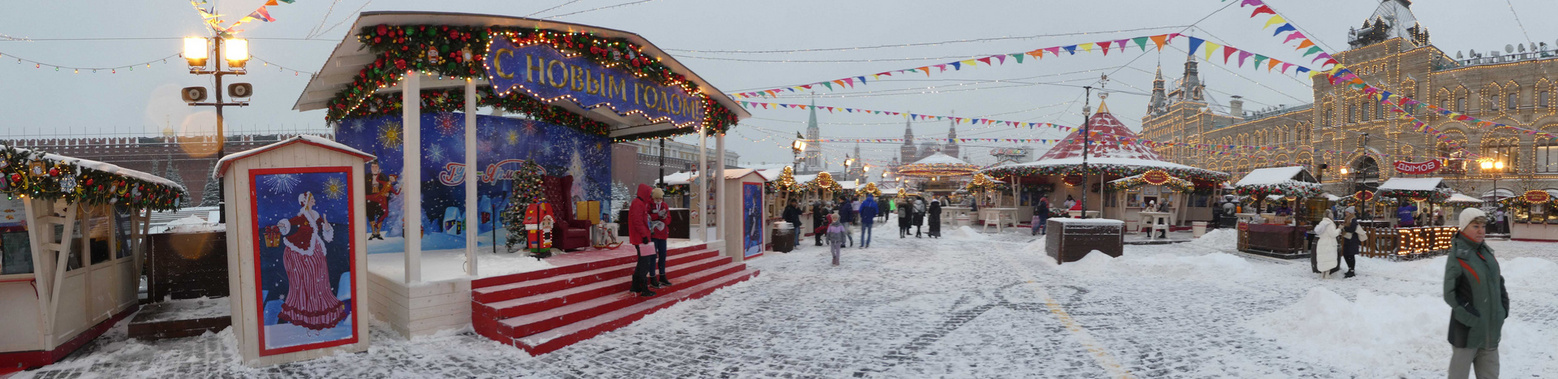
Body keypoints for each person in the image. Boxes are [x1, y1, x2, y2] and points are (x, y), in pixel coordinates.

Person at [1443, 208, 1508, 379]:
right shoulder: (1458, 256)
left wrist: (1503, 309)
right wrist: (1471, 318)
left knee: (1490, 375)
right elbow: (1450, 293)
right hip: (1466, 332)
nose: (1481, 231)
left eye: (1483, 226)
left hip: (1490, 330)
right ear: (1464, 228)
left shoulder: (1486, 252)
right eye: (1475, 226)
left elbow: (1498, 282)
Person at [274, 192, 348, 331]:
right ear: (306, 201)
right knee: (306, 280)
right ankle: (306, 310)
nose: (314, 200)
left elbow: (326, 233)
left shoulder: (316, 214)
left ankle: (318, 308)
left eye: (314, 198)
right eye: (312, 198)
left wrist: (326, 224)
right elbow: (289, 223)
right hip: (303, 251)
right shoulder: (302, 216)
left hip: (316, 250)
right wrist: (283, 225)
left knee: (319, 279)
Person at [628, 184, 656, 297]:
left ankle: (636, 285)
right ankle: (643, 287)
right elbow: (638, 221)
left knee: (642, 262)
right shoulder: (638, 204)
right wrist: (644, 236)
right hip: (641, 239)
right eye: (649, 193)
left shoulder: (640, 203)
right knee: (645, 262)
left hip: (641, 238)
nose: (650, 195)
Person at [364, 161, 397, 240]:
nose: (374, 168)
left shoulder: (382, 177)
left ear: (378, 168)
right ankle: (373, 232)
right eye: (373, 167)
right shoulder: (367, 177)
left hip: (380, 200)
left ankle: (378, 232)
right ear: (371, 168)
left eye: (376, 167)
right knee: (370, 215)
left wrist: (388, 194)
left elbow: (388, 187)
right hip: (370, 199)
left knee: (380, 215)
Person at [647, 188, 671, 288]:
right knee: (653, 256)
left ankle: (662, 275)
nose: (658, 200)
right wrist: (657, 216)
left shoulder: (664, 205)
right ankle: (652, 277)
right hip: (653, 234)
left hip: (663, 234)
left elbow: (669, 220)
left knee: (663, 255)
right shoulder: (649, 205)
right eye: (656, 198)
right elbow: (648, 217)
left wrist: (664, 219)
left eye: (660, 198)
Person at [1339, 208, 1366, 278]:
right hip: (1348, 238)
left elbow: (1352, 229)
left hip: (1352, 239)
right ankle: (1350, 269)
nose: (1346, 213)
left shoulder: (1353, 219)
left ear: (1350, 213)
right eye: (1346, 212)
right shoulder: (1347, 219)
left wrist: (1344, 228)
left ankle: (1351, 270)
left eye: (1347, 212)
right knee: (1346, 254)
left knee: (1350, 255)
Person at [1312, 214, 1341, 279]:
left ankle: (1323, 273)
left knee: (1323, 258)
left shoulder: (1322, 223)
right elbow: (1333, 234)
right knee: (1329, 258)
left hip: (1322, 242)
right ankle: (1327, 274)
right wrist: (1339, 229)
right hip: (1329, 243)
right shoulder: (1330, 224)